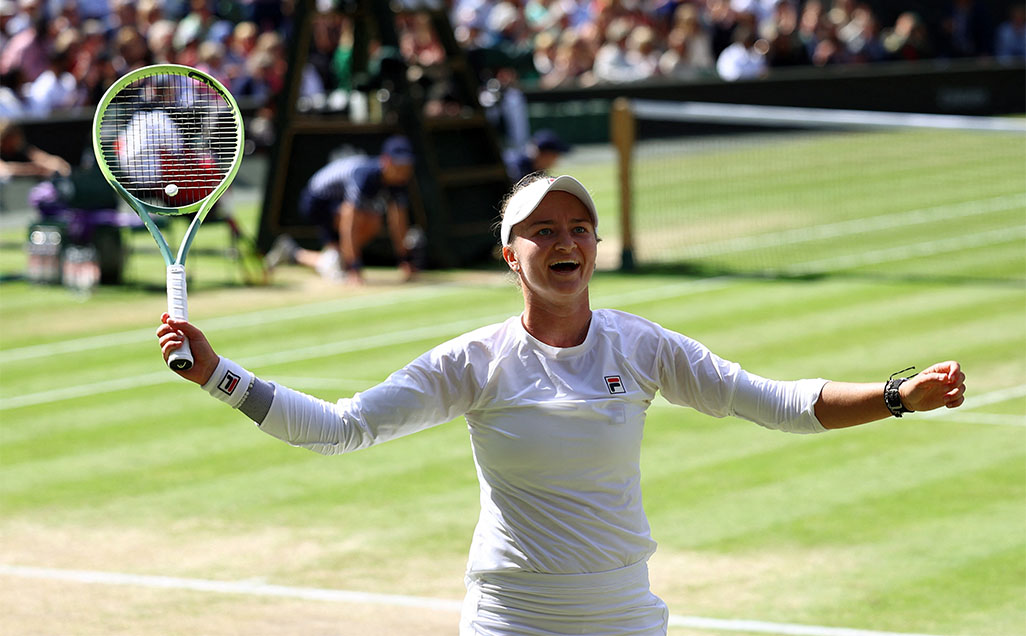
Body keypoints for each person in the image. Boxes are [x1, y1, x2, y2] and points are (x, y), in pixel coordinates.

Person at [158, 174, 967, 635]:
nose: (566, 242)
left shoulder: (643, 346)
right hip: (513, 617)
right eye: (543, 230)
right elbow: (340, 429)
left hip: (624, 614)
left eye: (579, 227)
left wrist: (897, 395)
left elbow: (780, 403)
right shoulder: (471, 361)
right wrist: (220, 376)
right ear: (510, 255)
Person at [265, 135, 418, 285]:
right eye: (399, 165)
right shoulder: (365, 176)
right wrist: (354, 267)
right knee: (368, 220)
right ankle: (333, 261)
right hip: (317, 202)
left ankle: (293, 253)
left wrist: (405, 259)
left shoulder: (398, 181)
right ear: (386, 161)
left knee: (366, 228)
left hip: (335, 205)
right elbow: (349, 222)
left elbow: (398, 220)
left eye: (407, 165)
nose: (403, 170)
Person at [502, 129, 571, 182]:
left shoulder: (537, 170)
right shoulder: (515, 169)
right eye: (554, 156)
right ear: (544, 155)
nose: (555, 160)